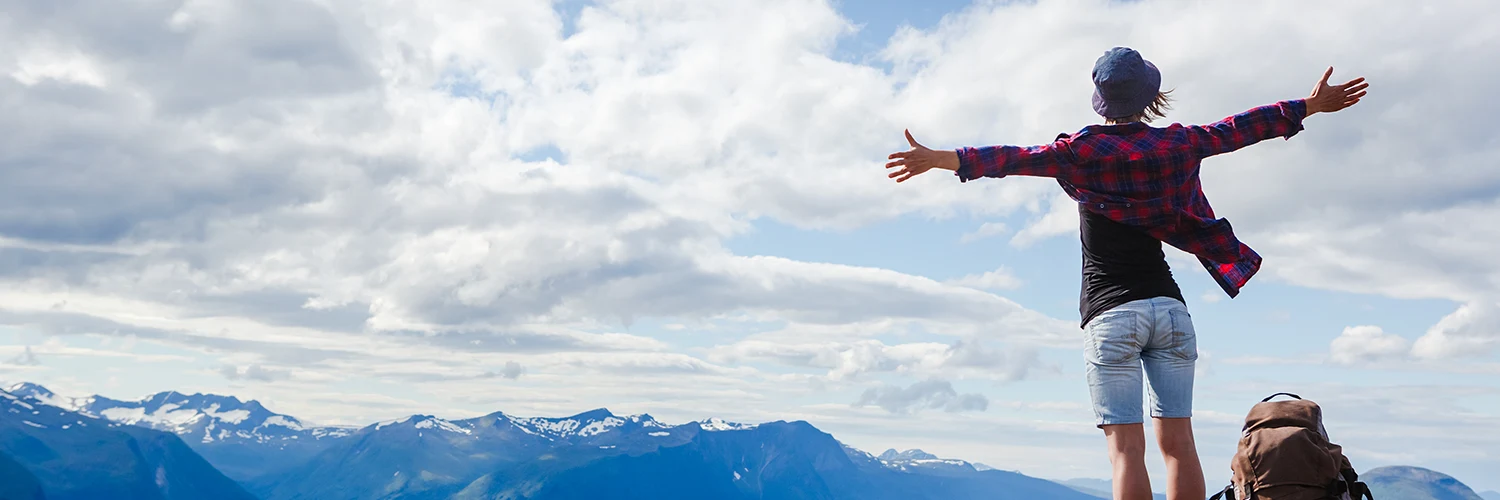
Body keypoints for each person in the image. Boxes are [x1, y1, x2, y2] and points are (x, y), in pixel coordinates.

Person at [883, 47, 1368, 500]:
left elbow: (1008, 158)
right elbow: (1238, 129)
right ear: (1152, 98)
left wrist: (939, 159)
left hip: (1112, 316)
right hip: (1171, 312)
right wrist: (1307, 106)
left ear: (1101, 101)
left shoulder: (1077, 153)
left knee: (1125, 451)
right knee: (1179, 445)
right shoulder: (1179, 145)